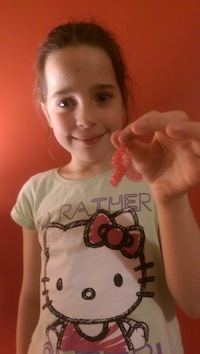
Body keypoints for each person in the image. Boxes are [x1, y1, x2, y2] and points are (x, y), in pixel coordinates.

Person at [11, 21, 200, 354]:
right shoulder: (34, 192)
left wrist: (171, 198)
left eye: (101, 96)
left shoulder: (153, 178)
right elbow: (31, 296)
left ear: (122, 101)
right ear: (46, 111)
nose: (85, 118)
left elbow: (195, 303)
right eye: (65, 102)